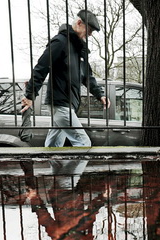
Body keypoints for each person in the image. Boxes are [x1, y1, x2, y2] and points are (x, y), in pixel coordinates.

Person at [21, 9, 109, 147]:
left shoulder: (79, 49)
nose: (90, 35)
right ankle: (71, 170)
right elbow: (41, 68)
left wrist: (99, 94)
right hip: (60, 103)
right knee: (84, 143)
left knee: (54, 145)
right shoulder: (60, 42)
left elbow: (87, 75)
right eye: (90, 30)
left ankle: (56, 168)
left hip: (68, 104)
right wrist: (30, 95)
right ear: (79, 23)